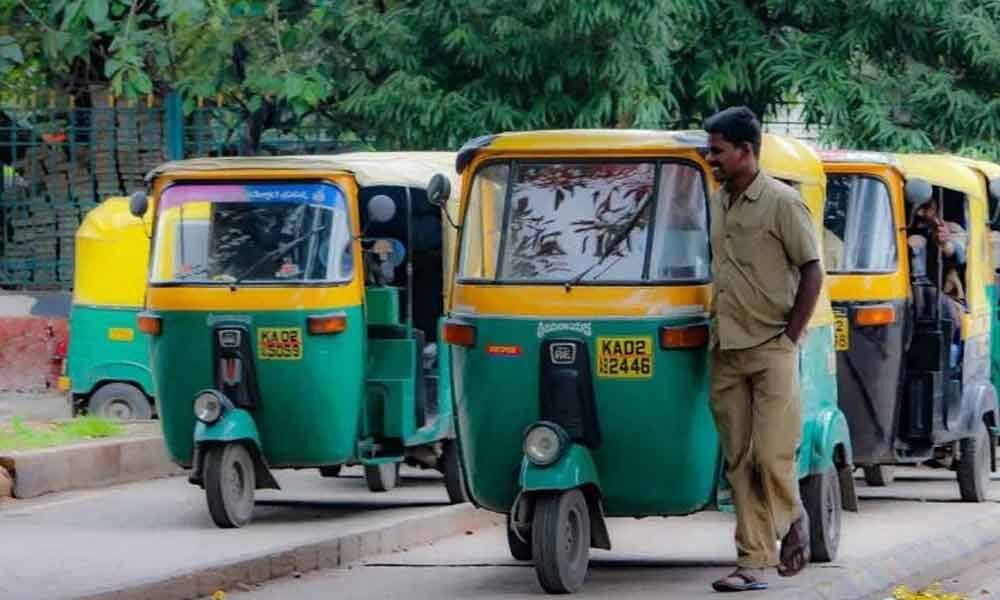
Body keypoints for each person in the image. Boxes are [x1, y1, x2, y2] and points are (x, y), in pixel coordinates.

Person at [703, 107, 824, 592]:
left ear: (745, 151)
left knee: (771, 455)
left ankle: (794, 519)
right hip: (726, 348)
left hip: (773, 346)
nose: (711, 158)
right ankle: (751, 562)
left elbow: (812, 271)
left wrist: (790, 337)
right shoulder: (718, 201)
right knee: (738, 460)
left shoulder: (781, 202)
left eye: (718, 151)